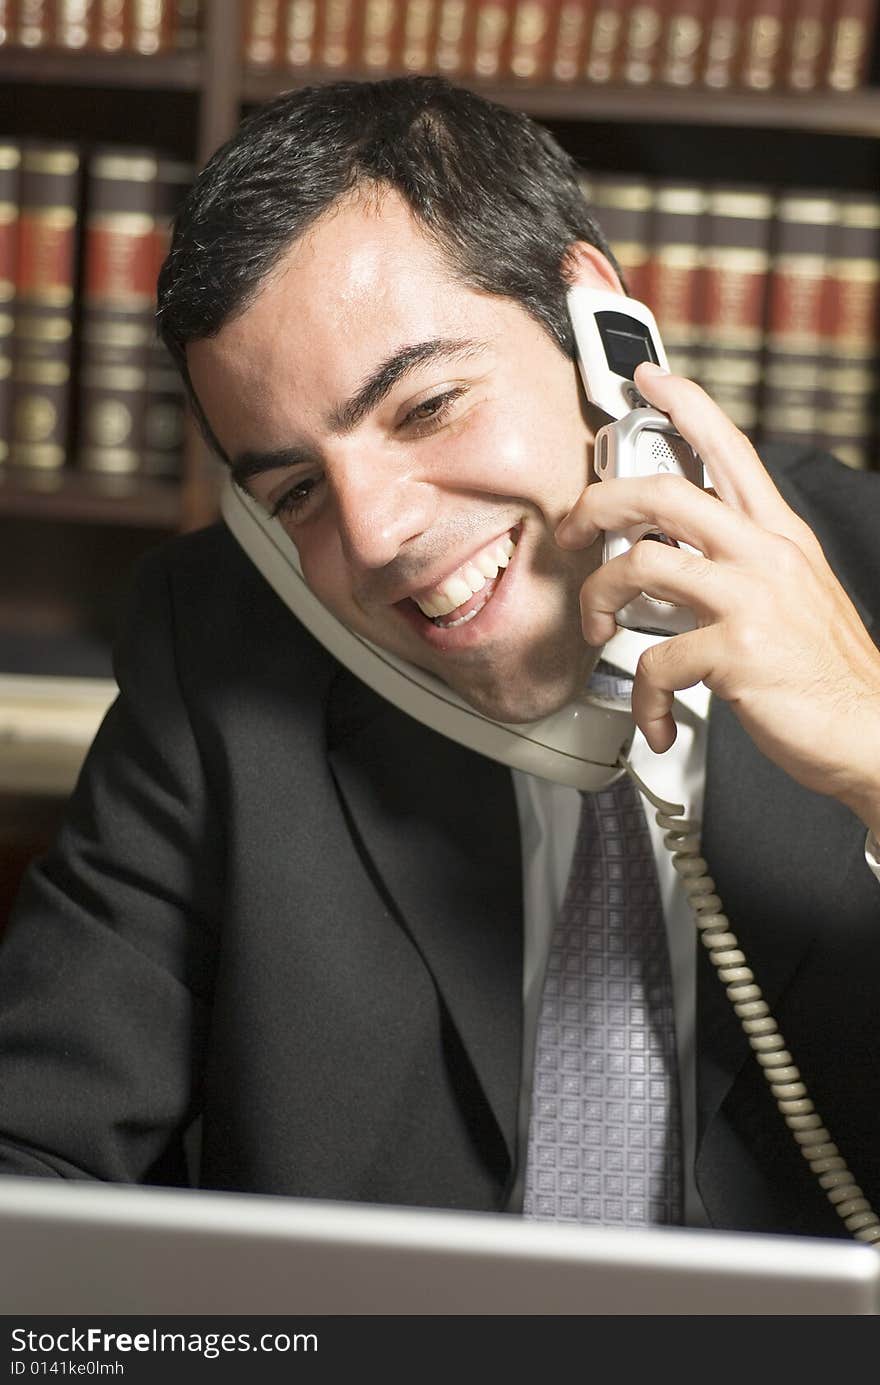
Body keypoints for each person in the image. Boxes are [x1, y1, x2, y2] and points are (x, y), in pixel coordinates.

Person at [0, 76, 878, 1241]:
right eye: (298, 488)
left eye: (424, 408)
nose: (373, 536)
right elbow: (31, 1160)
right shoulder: (217, 648)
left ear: (596, 325)